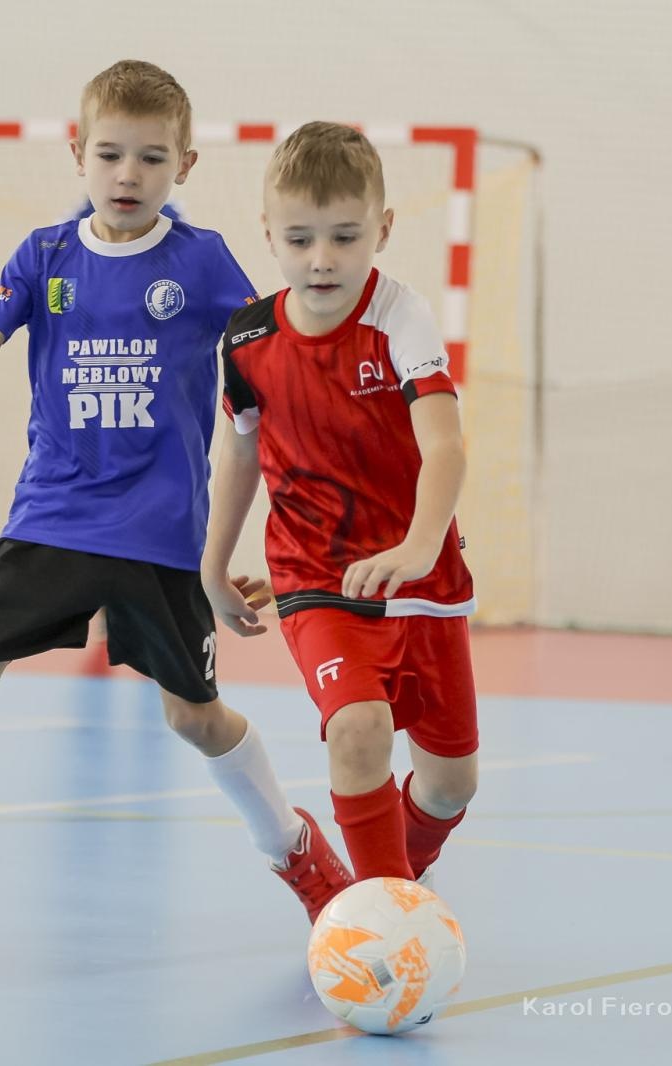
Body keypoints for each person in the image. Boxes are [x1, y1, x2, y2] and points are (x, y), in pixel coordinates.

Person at [0, 61, 353, 957]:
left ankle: (297, 851)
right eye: (112, 154)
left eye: (153, 159)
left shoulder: (200, 262)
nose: (129, 175)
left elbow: (266, 366)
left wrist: (308, 481)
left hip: (159, 529)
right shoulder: (42, 256)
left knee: (194, 717)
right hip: (49, 516)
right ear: (78, 153)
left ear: (186, 167)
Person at [204, 122, 479, 888]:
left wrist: (420, 548)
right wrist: (212, 562)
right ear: (269, 235)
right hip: (316, 572)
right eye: (298, 239)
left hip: (418, 574)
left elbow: (446, 445)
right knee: (359, 728)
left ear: (382, 230)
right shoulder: (246, 338)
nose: (320, 259)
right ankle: (387, 920)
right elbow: (238, 449)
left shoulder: (401, 318)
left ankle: (378, 890)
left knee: (453, 782)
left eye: (344, 237)